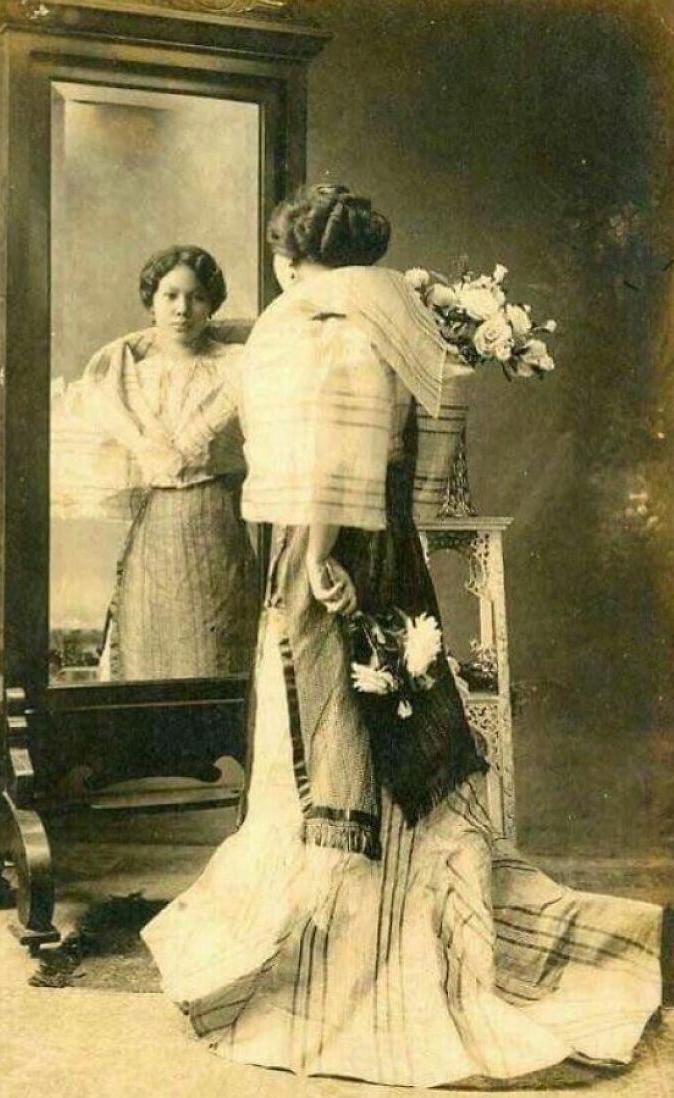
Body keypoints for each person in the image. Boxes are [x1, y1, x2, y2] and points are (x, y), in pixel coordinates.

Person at [141, 188, 662, 1087]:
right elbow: (402, 455)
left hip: (330, 544)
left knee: (332, 726)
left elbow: (324, 462)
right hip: (390, 544)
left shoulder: (320, 326)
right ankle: (403, 918)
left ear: (290, 259)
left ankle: (340, 955)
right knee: (392, 709)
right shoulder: (394, 316)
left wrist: (313, 560)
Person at [77, 245, 258, 680]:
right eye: (170, 296)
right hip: (154, 527)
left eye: (197, 297)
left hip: (215, 520)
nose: (182, 309)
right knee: (148, 651)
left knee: (215, 653)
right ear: (151, 302)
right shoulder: (129, 376)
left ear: (211, 304)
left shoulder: (238, 365)